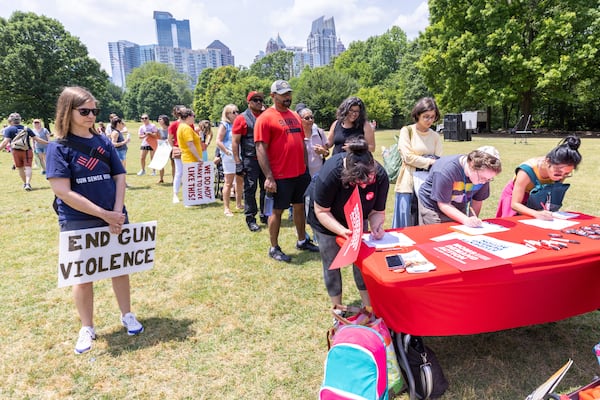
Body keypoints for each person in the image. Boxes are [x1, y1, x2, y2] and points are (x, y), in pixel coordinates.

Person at [45, 86, 143, 354]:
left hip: (114, 215)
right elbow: (62, 191)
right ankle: (87, 327)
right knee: (83, 275)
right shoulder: (58, 147)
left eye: (94, 111)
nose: (91, 116)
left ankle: (127, 315)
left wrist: (117, 211)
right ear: (68, 111)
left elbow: (119, 176)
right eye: (84, 111)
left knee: (119, 266)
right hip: (78, 220)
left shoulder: (102, 141)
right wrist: (104, 214)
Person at [310, 137, 388, 307]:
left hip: (357, 219)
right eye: (358, 182)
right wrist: (341, 230)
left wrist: (376, 225)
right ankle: (337, 308)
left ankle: (368, 306)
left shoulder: (381, 175)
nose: (363, 186)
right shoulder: (330, 172)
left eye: (368, 181)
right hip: (328, 219)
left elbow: (377, 212)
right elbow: (321, 211)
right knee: (331, 263)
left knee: (362, 263)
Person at [255, 79, 319, 262]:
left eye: (289, 94)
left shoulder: (294, 116)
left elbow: (301, 144)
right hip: (279, 175)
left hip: (299, 173)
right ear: (273, 96)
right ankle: (274, 247)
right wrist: (269, 177)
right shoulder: (265, 118)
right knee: (277, 211)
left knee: (299, 208)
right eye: (283, 95)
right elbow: (260, 148)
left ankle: (302, 240)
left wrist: (305, 169)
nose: (287, 97)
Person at [496, 135, 582, 220]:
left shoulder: (561, 172)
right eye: (558, 173)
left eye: (567, 174)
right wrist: (536, 213)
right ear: (547, 161)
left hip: (537, 198)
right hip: (517, 198)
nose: (561, 177)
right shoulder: (526, 171)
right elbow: (515, 204)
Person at [419, 146, 502, 227]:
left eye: (489, 179)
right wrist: (465, 220)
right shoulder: (446, 171)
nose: (484, 182)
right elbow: (443, 204)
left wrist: (472, 218)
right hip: (433, 207)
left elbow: (477, 200)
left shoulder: (484, 175)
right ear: (471, 165)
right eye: (482, 178)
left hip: (458, 204)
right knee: (438, 234)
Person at [392, 97, 443, 228]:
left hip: (427, 183)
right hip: (407, 183)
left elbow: (438, 160)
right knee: (406, 222)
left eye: (432, 117)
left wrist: (427, 162)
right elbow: (408, 157)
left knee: (424, 220)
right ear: (417, 115)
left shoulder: (435, 136)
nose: (430, 120)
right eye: (426, 116)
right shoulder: (407, 131)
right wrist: (429, 161)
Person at [232, 91, 267, 232]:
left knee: (267, 188)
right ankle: (250, 218)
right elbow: (235, 142)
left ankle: (265, 214)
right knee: (250, 189)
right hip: (250, 159)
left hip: (265, 159)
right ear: (249, 102)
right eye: (255, 100)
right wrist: (238, 162)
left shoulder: (265, 116)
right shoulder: (241, 119)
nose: (259, 102)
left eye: (260, 100)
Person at [0, 112, 47, 190]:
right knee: (28, 167)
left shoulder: (9, 129)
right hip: (27, 150)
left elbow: (5, 142)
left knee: (20, 168)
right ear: (20, 120)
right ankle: (28, 183)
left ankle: (25, 183)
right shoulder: (26, 128)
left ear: (10, 120)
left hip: (15, 151)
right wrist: (48, 143)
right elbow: (37, 139)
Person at [216, 104, 243, 217]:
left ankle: (239, 203)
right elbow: (218, 140)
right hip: (228, 157)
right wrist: (226, 151)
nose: (237, 114)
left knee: (240, 181)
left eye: (237, 111)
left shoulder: (238, 124)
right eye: (234, 112)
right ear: (227, 114)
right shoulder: (225, 125)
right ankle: (226, 208)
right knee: (228, 182)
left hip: (239, 155)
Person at [298, 107, 329, 177]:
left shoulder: (319, 132)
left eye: (312, 117)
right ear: (300, 120)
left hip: (319, 174)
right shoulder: (298, 135)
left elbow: (327, 153)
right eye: (307, 118)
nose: (310, 120)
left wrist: (323, 151)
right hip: (303, 176)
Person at [168, 105, 185, 203]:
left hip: (188, 150)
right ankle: (175, 194)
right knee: (179, 172)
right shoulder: (174, 125)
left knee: (187, 172)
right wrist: (173, 147)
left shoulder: (189, 124)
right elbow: (169, 139)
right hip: (178, 149)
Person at [110, 117, 130, 187]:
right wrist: (124, 142)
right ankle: (121, 184)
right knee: (120, 170)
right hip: (119, 152)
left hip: (121, 152)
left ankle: (123, 183)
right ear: (118, 123)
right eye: (121, 123)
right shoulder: (115, 133)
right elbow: (113, 144)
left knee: (123, 169)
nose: (123, 125)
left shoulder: (118, 132)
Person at [156, 114, 172, 184]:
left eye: (160, 119)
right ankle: (161, 178)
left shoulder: (170, 128)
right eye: (158, 119)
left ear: (165, 120)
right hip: (162, 148)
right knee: (161, 163)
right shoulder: (158, 130)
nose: (159, 120)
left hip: (170, 147)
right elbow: (157, 138)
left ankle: (174, 179)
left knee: (173, 163)